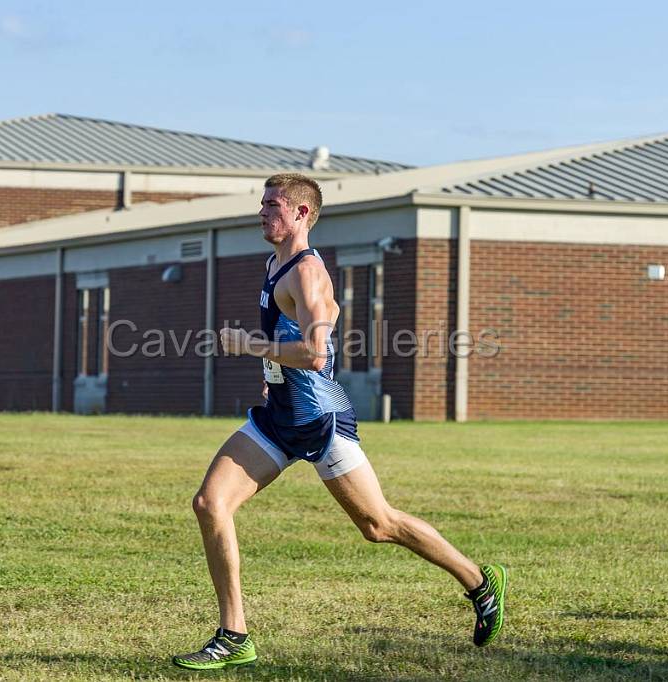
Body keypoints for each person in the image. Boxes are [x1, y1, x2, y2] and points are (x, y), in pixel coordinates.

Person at [171, 173, 507, 670]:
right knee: (210, 503)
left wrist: (249, 345)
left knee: (378, 524)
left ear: (302, 213)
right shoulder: (274, 262)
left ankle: (480, 582)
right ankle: (234, 634)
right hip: (279, 418)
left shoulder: (305, 273)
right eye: (261, 203)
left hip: (320, 419)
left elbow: (313, 351)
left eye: (273, 205)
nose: (262, 212)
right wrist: (272, 374)